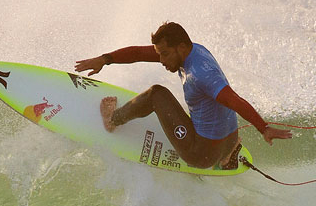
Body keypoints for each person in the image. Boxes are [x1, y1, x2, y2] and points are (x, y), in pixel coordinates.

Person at [75, 22, 292, 169]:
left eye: (165, 54)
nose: (161, 60)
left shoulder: (199, 75)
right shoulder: (194, 51)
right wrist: (105, 59)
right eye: (159, 54)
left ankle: (113, 120)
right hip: (229, 142)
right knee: (203, 109)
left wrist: (263, 128)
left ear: (180, 46)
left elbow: (234, 100)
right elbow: (140, 53)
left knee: (156, 95)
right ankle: (227, 154)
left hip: (202, 155)